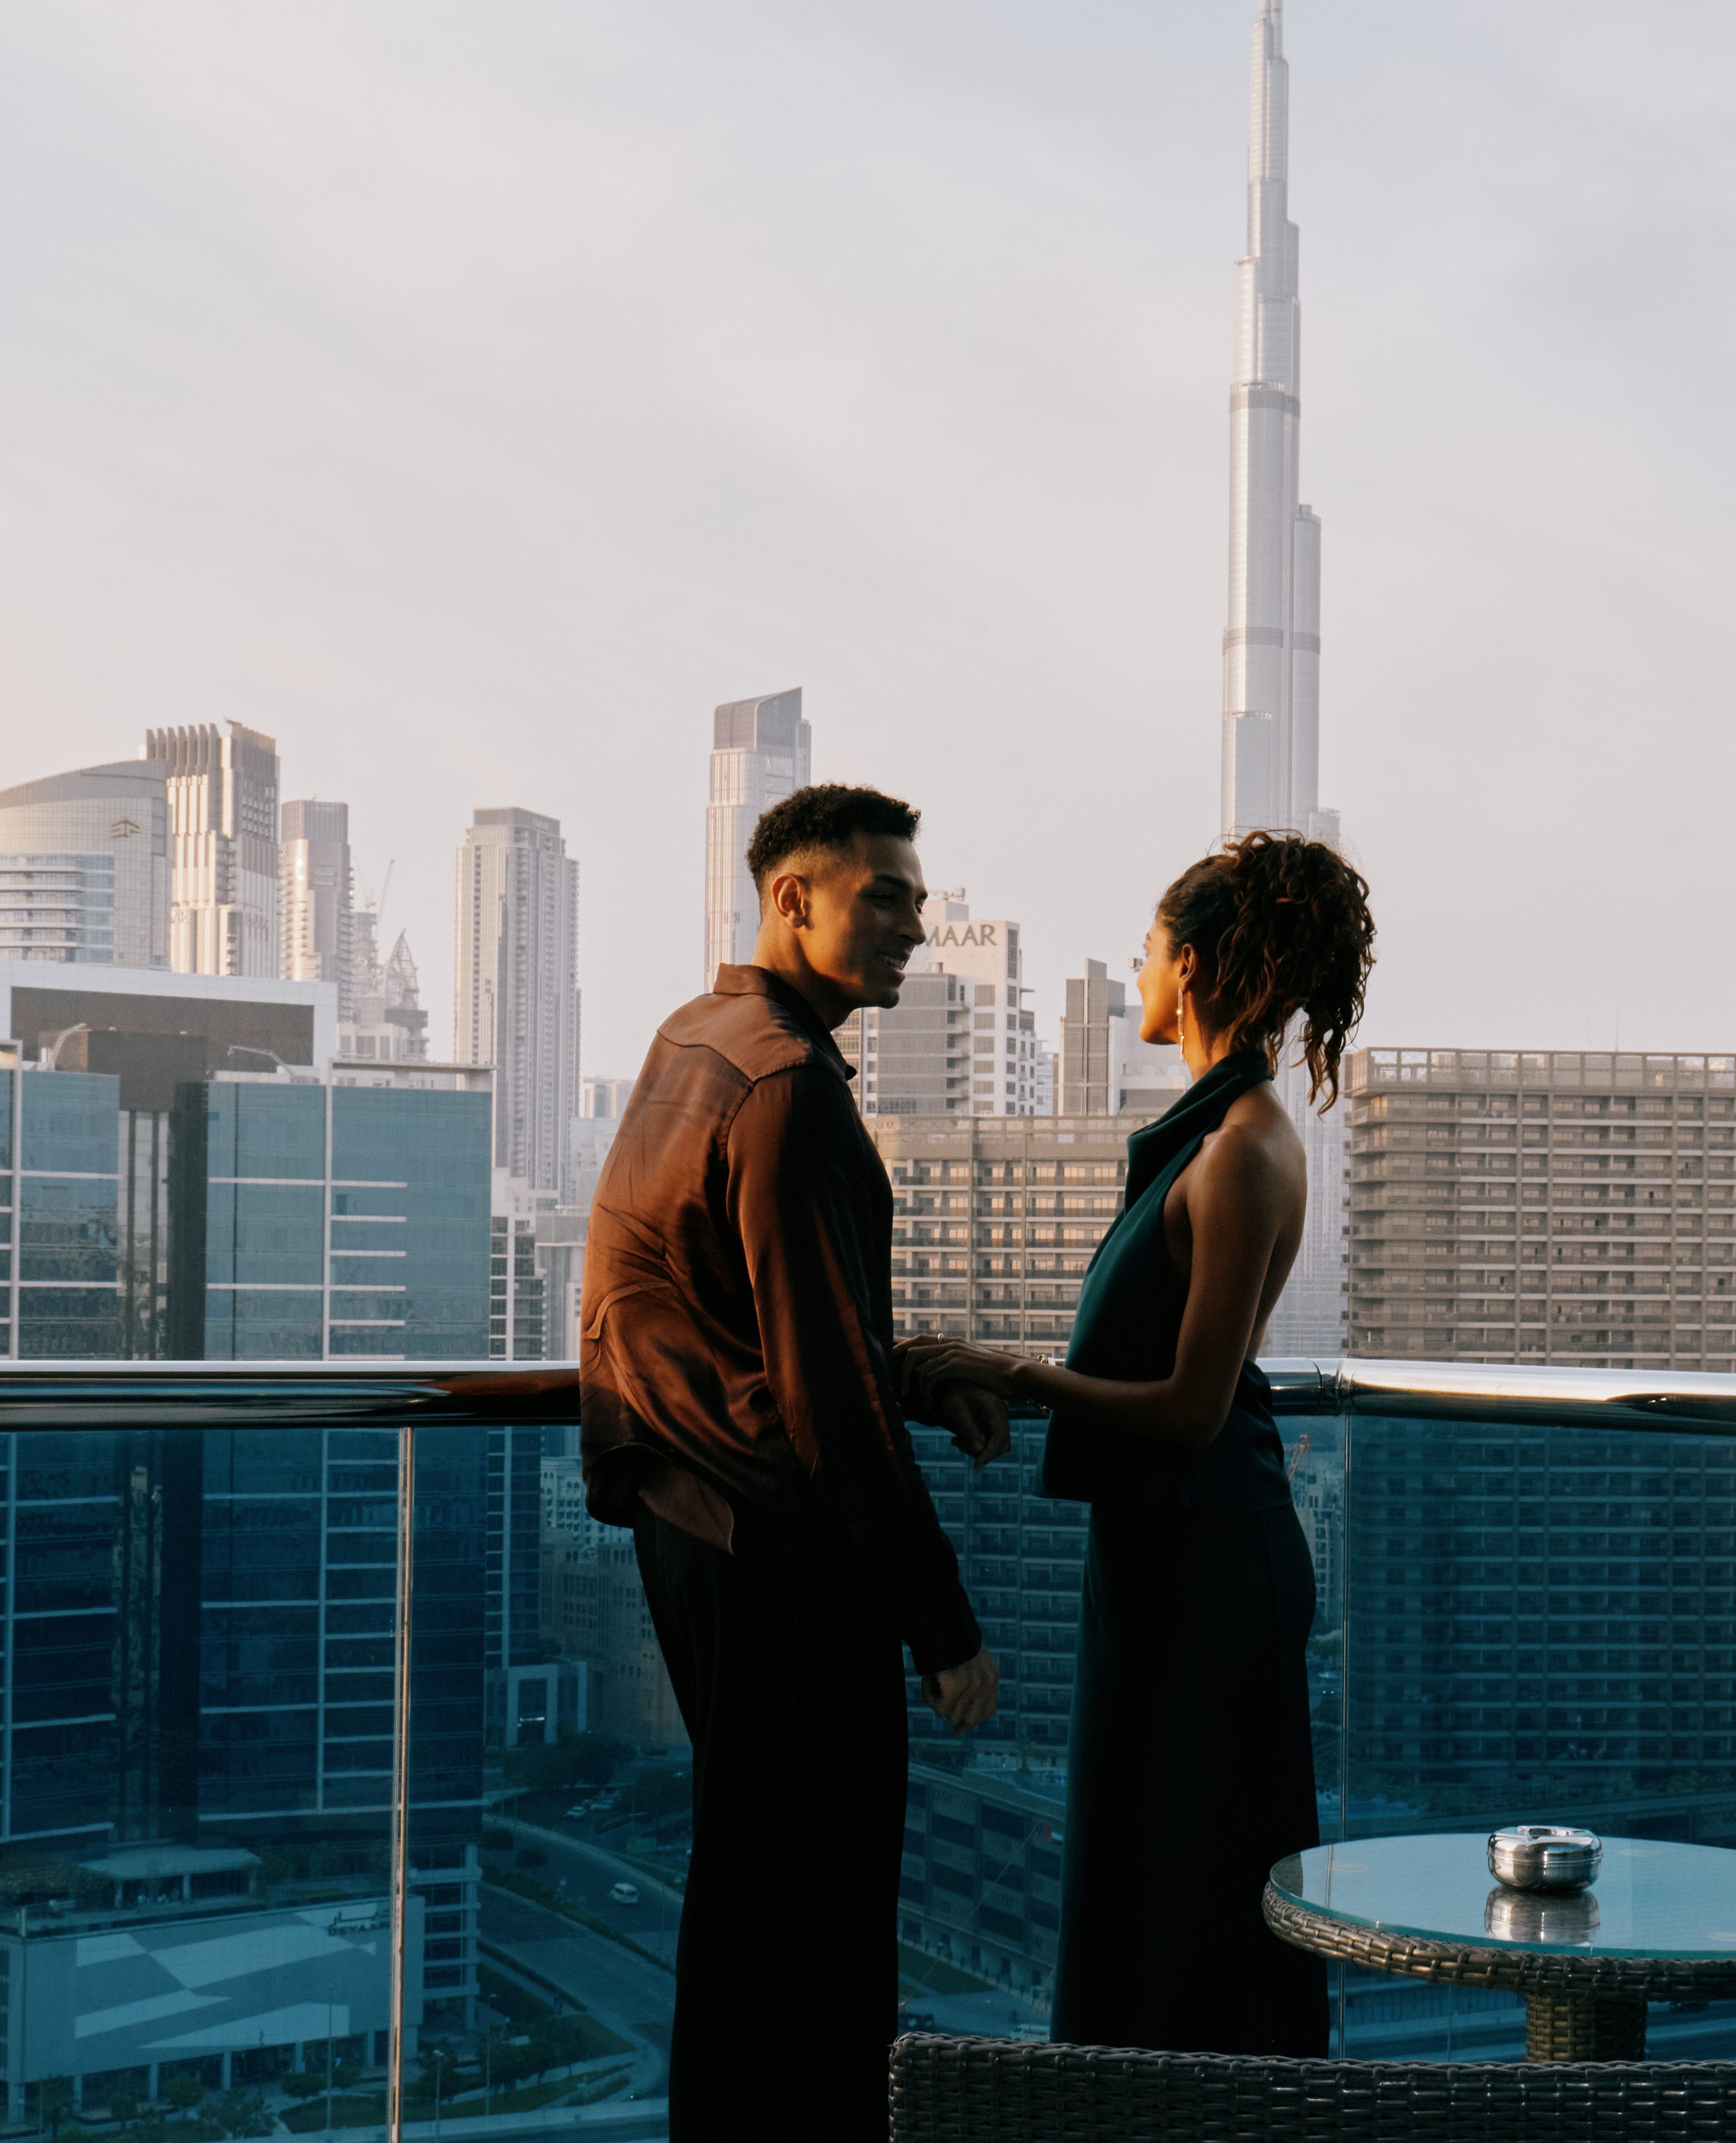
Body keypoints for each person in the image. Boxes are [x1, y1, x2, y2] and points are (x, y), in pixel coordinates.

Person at [579, 782, 1004, 2139]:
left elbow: (716, 1316)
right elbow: (821, 1395)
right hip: (778, 1550)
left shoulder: (692, 1039)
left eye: (918, 905)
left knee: (751, 1902)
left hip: (687, 1515)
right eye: (883, 897)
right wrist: (941, 1622)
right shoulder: (785, 1091)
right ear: (792, 896)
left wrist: (906, 1367)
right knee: (815, 1925)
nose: (911, 931)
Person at [911, 829, 1376, 2055]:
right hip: (1170, 1552)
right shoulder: (1212, 1134)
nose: (1137, 967)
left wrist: (1011, 1370)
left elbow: (1189, 1405)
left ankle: (1214, 2116)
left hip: (1209, 1563)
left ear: (1206, 963)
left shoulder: (1240, 1149)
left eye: (1152, 947)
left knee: (1195, 1888)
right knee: (1148, 1870)